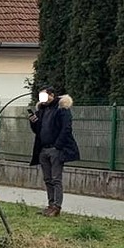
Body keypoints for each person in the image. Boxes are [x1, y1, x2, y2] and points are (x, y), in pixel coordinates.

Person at [29, 87, 80, 217]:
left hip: (55, 149)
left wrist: (58, 145)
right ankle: (51, 204)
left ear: (52, 95)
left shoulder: (61, 108)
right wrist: (33, 122)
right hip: (43, 149)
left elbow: (66, 128)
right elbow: (38, 130)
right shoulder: (42, 109)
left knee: (56, 179)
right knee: (47, 179)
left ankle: (57, 206)